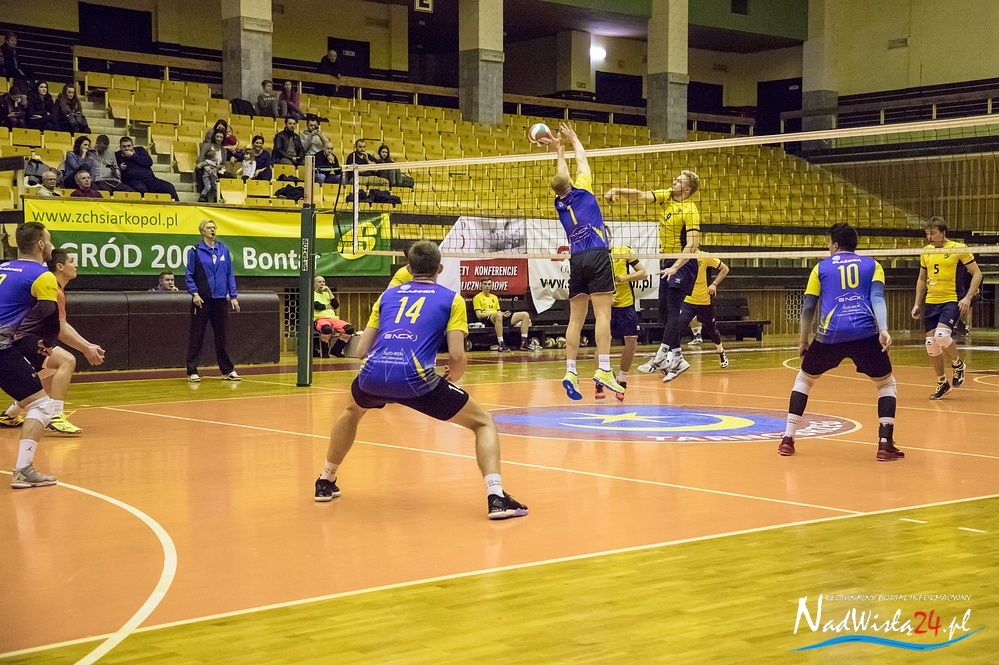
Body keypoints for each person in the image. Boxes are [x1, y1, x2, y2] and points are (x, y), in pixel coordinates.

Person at [313, 241, 528, 520]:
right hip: (416, 379)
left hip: (373, 374)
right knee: (483, 422)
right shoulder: (452, 299)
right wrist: (454, 375)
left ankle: (325, 480)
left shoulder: (387, 296)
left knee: (352, 410)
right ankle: (496, 496)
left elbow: (362, 350)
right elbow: (456, 355)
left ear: (408, 267)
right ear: (440, 268)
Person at [778, 223, 903, 462]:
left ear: (835, 245)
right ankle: (885, 443)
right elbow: (877, 297)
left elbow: (808, 307)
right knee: (886, 384)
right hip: (865, 333)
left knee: (804, 380)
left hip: (830, 335)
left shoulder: (820, 268)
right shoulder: (873, 265)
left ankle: (788, 439)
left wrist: (803, 340)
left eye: (829, 243)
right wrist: (883, 329)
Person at [537, 121, 624, 399]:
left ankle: (570, 370)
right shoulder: (583, 191)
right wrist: (573, 140)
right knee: (603, 315)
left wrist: (558, 150)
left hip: (576, 260)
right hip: (597, 254)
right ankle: (604, 368)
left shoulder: (559, 203)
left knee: (575, 320)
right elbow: (582, 163)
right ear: (572, 184)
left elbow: (561, 177)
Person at [606, 170, 701, 380]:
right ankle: (678, 357)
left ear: (687, 189)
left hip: (683, 263)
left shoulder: (690, 210)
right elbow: (640, 196)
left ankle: (661, 355)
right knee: (663, 311)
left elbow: (693, 245)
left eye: (679, 181)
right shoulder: (667, 196)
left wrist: (676, 267)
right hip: (667, 262)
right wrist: (617, 191)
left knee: (673, 309)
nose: (674, 181)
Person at [2, 247, 106, 434]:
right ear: (60, 266)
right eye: (71, 261)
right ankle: (56, 416)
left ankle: (10, 414)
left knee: (49, 377)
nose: (75, 265)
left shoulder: (56, 289)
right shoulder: (53, 291)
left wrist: (87, 345)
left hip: (24, 338)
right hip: (20, 339)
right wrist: (85, 348)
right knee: (67, 361)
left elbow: (62, 325)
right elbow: (61, 330)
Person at [0, 222, 60, 487]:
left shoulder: (2, 268)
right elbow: (50, 316)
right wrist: (47, 342)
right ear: (40, 244)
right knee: (41, 405)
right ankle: (23, 470)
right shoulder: (42, 275)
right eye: (49, 240)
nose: (51, 246)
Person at [910, 216, 982, 400]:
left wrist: (967, 297)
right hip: (931, 301)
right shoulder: (926, 251)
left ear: (943, 232)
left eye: (933, 233)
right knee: (930, 344)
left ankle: (958, 365)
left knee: (941, 336)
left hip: (951, 299)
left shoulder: (958, 248)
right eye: (927, 234)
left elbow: (977, 274)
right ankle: (942, 382)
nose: (930, 237)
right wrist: (917, 303)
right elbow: (921, 279)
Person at [661, 252, 731, 382]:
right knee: (678, 329)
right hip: (688, 301)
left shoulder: (705, 257)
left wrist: (714, 284)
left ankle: (720, 351)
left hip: (705, 301)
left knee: (712, 331)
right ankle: (669, 361)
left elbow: (725, 269)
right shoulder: (682, 258)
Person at [185, 220, 240, 382]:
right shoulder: (195, 251)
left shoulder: (223, 250)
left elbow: (229, 274)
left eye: (214, 227)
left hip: (220, 300)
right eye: (209, 228)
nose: (212, 230)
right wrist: (194, 293)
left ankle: (227, 370)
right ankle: (192, 371)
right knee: (197, 335)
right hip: (202, 300)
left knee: (222, 336)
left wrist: (233, 296)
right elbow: (189, 274)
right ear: (202, 231)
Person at [594, 243, 648, 401]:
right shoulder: (594, 255)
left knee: (631, 340)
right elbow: (590, 283)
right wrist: (606, 298)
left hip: (626, 303)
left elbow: (643, 273)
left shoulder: (623, 251)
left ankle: (622, 380)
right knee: (603, 342)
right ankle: (599, 383)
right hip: (606, 304)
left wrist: (626, 277)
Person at [472, 278, 532, 352]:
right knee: (498, 315)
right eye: (485, 284)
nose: (487, 286)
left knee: (525, 315)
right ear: (481, 285)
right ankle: (501, 343)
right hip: (487, 319)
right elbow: (479, 315)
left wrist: (504, 314)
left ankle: (524, 343)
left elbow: (498, 311)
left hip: (498, 317)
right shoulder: (477, 298)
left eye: (489, 284)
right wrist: (494, 313)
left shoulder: (494, 297)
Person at [313, 276, 354, 358]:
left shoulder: (327, 294)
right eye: (319, 282)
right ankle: (324, 352)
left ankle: (336, 350)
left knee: (349, 329)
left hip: (333, 318)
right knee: (326, 329)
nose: (322, 284)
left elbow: (335, 305)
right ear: (314, 284)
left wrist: (328, 291)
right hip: (319, 319)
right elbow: (318, 306)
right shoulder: (312, 294)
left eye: (323, 282)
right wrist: (328, 306)